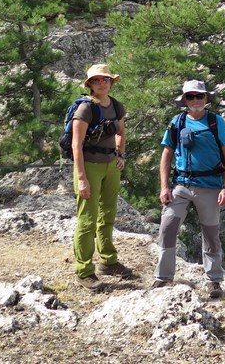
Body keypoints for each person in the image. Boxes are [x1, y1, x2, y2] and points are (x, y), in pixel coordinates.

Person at [152, 79, 225, 298]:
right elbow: (166, 154)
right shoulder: (177, 122)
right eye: (191, 96)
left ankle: (214, 281)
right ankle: (163, 278)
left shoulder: (216, 122)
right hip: (181, 185)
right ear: (185, 100)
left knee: (210, 233)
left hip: (209, 186)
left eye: (199, 96)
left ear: (207, 99)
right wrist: (164, 186)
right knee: (167, 228)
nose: (196, 100)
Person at [72, 63, 132, 290]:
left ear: (111, 82)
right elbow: (76, 145)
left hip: (110, 166)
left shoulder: (116, 106)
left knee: (107, 214)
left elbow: (121, 132)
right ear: (90, 84)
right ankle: (84, 271)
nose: (102, 83)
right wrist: (81, 178)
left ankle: (108, 261)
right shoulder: (86, 109)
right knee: (87, 219)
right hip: (89, 166)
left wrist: (121, 155)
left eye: (105, 79)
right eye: (96, 80)